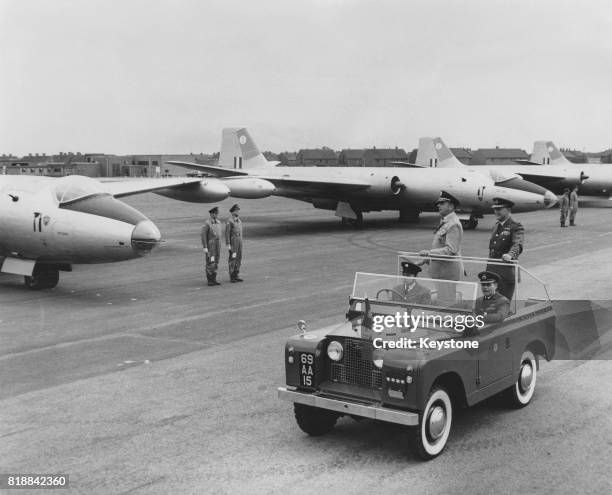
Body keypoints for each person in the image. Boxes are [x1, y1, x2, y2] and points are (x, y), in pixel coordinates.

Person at [419, 191, 463, 305]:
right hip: (441, 270)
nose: (438, 205)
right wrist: (427, 259)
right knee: (442, 302)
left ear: (451, 206)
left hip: (447, 272)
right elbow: (441, 245)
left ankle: (448, 321)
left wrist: (429, 253)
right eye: (439, 203)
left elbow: (451, 250)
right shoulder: (445, 221)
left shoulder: (453, 224)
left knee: (447, 303)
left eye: (442, 203)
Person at [487, 197, 524, 301]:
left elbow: (518, 244)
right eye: (495, 209)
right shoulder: (496, 226)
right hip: (492, 272)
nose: (496, 212)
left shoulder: (516, 226)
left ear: (508, 210)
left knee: (503, 304)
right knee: (491, 304)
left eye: (499, 209)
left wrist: (510, 254)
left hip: (506, 273)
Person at [201, 206, 222, 286]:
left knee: (216, 261)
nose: (217, 215)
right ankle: (210, 279)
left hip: (217, 244)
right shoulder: (207, 223)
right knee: (210, 261)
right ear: (211, 214)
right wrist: (205, 247)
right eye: (215, 213)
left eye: (217, 213)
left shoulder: (219, 222)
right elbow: (203, 236)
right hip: (211, 244)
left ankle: (214, 278)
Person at [225, 203, 243, 283]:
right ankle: (232, 276)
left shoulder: (239, 221)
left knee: (239, 258)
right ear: (232, 212)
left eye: (238, 210)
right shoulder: (229, 221)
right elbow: (227, 233)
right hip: (233, 242)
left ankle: (237, 274)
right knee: (233, 258)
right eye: (236, 210)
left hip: (239, 241)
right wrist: (228, 244)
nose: (238, 212)